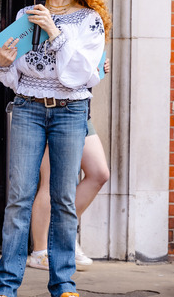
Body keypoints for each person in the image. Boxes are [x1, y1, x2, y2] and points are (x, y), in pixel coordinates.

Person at [0, 0, 107, 297]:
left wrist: (55, 33)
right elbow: (11, 73)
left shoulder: (89, 21)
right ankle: (6, 285)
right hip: (27, 108)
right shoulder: (28, 14)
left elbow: (82, 75)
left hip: (70, 112)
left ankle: (63, 283)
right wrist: (6, 61)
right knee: (19, 197)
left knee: (64, 198)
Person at [27, 59, 111, 271]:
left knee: (99, 173)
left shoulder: (93, 28)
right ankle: (40, 252)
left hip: (80, 112)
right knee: (50, 181)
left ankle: (63, 232)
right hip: (52, 109)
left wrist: (97, 68)